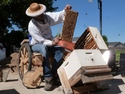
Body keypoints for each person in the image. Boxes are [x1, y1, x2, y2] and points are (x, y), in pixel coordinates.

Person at [25, 2, 72, 91]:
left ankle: (54, 73)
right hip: (36, 44)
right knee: (43, 48)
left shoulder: (46, 16)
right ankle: (48, 78)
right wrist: (53, 43)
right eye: (38, 14)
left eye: (41, 13)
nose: (41, 15)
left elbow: (58, 16)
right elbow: (41, 41)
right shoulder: (32, 25)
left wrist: (65, 11)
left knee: (61, 49)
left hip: (49, 42)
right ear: (33, 16)